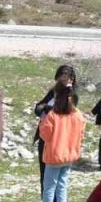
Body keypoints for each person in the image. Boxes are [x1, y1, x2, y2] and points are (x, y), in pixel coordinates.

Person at [33, 83, 86, 202]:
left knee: (49, 188)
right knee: (62, 188)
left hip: (54, 156)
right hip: (69, 156)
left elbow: (45, 135)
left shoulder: (52, 116)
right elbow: (81, 135)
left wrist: (43, 123)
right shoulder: (79, 116)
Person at [33, 65, 78, 194]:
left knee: (56, 174)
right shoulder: (54, 91)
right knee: (43, 168)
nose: (61, 83)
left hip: (58, 138)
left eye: (64, 80)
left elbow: (63, 113)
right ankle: (44, 199)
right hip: (45, 134)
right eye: (59, 80)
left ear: (71, 79)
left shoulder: (72, 95)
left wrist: (46, 109)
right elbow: (38, 107)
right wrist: (45, 108)